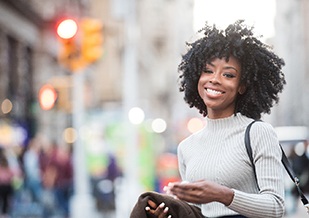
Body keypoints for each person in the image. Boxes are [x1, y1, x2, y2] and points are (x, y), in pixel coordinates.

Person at [130, 20, 286, 218]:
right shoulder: (186, 147)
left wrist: (224, 195)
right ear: (196, 75)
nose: (214, 79)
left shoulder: (257, 132)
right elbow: (196, 213)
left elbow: (276, 208)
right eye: (208, 70)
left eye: (228, 74)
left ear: (242, 86)